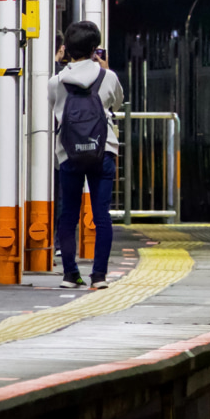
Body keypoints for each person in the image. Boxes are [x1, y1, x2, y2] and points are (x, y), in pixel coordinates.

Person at [49, 21, 124, 290]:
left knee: (68, 214)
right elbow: (117, 101)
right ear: (95, 49)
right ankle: (99, 276)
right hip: (102, 151)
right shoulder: (109, 77)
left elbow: (55, 108)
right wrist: (103, 69)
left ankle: (70, 275)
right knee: (101, 213)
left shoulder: (56, 82)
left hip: (68, 153)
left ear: (67, 49)